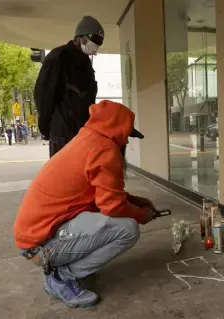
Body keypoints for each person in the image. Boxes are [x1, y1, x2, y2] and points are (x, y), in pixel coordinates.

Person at [14, 100, 155, 308]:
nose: (126, 141)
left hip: (37, 235)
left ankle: (66, 267)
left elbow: (102, 196)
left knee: (114, 221)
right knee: (128, 229)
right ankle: (61, 277)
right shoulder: (105, 150)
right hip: (40, 246)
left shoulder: (87, 140)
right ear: (117, 130)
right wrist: (142, 215)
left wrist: (136, 201)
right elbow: (112, 207)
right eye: (126, 135)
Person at [34, 15, 104, 157]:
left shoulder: (86, 63)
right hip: (62, 136)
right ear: (81, 37)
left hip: (82, 135)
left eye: (99, 42)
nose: (96, 45)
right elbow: (43, 95)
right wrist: (45, 128)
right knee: (62, 177)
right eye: (94, 40)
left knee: (79, 177)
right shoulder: (58, 57)